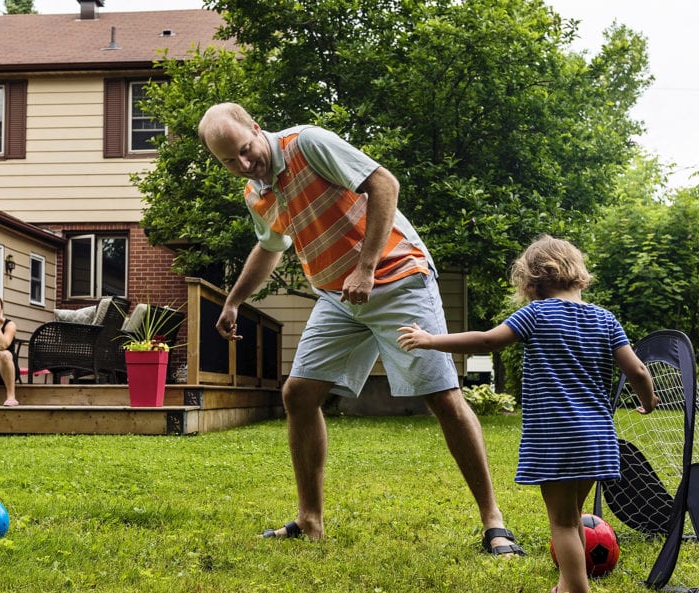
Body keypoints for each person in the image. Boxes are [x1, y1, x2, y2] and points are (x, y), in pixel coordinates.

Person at [197, 102, 523, 554]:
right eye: (229, 161)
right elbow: (270, 247)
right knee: (299, 393)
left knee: (442, 395)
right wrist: (234, 301)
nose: (244, 164)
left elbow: (384, 184)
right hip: (338, 295)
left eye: (246, 150)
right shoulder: (257, 193)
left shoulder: (307, 143)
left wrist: (366, 267)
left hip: (396, 277)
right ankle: (309, 520)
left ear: (255, 127)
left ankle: (494, 522)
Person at [398, 235, 659, 593]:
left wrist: (431, 340)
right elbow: (636, 369)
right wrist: (648, 399)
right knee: (575, 513)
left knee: (564, 522)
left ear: (532, 281)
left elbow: (487, 340)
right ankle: (567, 585)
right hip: (597, 437)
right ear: (578, 275)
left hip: (555, 435)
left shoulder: (535, 315)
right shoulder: (606, 320)